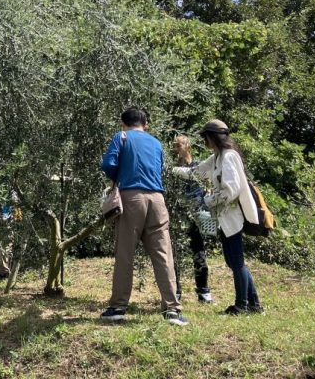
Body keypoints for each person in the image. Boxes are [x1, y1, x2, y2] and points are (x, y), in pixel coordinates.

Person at [99, 108, 188, 325]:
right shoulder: (156, 143)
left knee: (125, 254)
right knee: (163, 254)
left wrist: (118, 177)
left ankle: (118, 307)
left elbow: (108, 165)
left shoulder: (121, 137)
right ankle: (172, 310)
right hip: (157, 199)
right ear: (145, 124)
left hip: (131, 198)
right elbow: (159, 169)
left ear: (123, 123)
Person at [172, 120, 263, 315]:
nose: (204, 141)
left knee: (236, 262)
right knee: (235, 262)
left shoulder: (229, 157)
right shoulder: (217, 157)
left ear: (213, 136)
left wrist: (208, 200)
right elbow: (194, 173)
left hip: (233, 216)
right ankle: (255, 305)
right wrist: (168, 170)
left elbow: (232, 190)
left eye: (205, 137)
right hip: (225, 217)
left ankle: (241, 306)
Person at [171, 134, 214, 303]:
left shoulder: (199, 166)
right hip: (178, 215)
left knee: (198, 252)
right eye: (174, 145)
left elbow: (208, 187)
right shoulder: (172, 170)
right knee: (176, 254)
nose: (175, 148)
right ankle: (176, 291)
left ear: (187, 146)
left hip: (196, 216)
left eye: (178, 145)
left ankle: (203, 292)